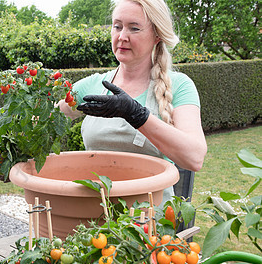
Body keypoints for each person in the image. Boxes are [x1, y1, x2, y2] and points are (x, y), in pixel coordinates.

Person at [58, 0, 207, 203]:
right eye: (117, 26)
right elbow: (47, 122)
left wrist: (137, 115)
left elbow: (195, 157)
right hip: (93, 216)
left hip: (150, 223)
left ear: (157, 36)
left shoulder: (179, 85)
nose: (122, 37)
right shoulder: (92, 85)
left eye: (134, 28)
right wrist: (4, 154)